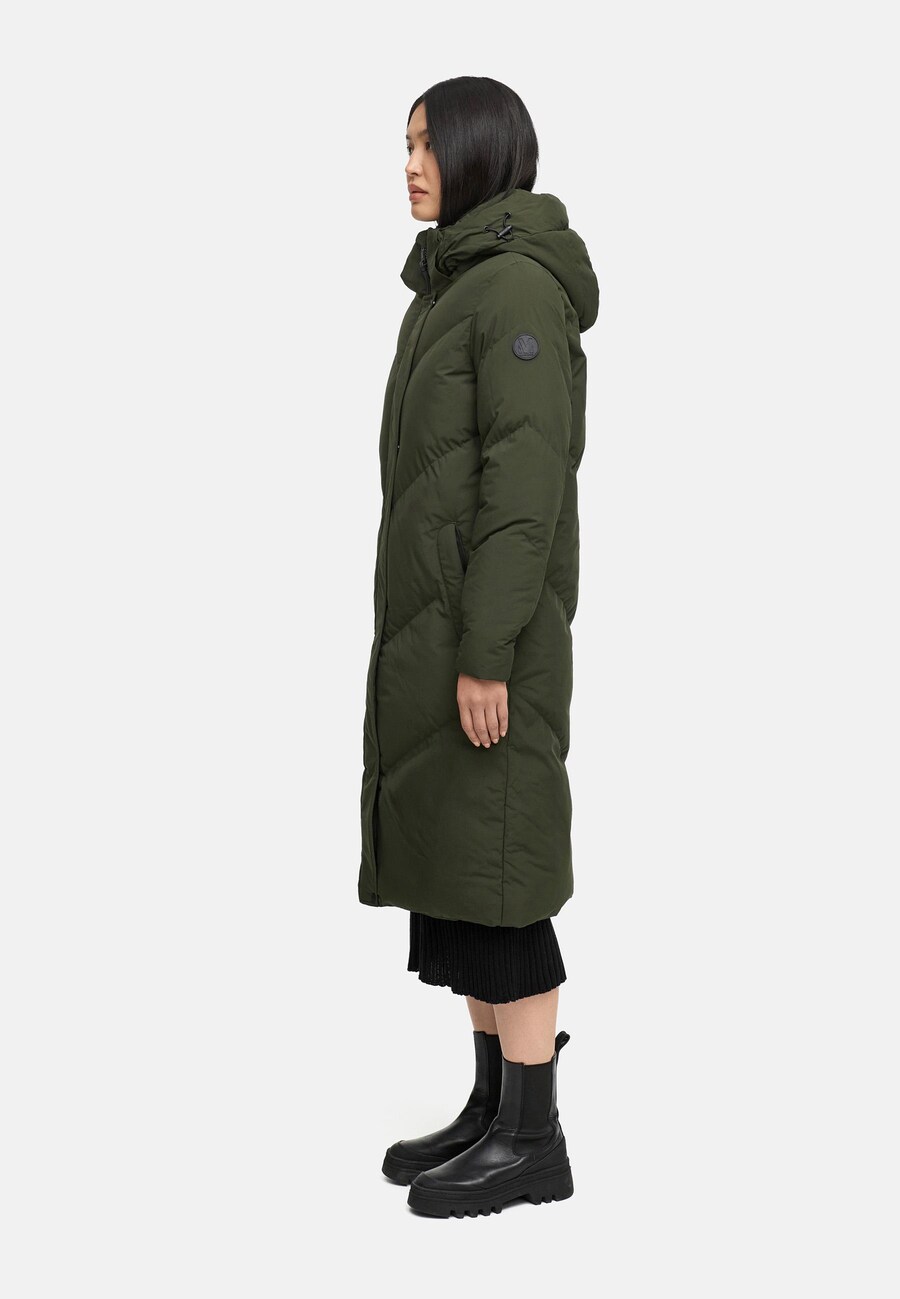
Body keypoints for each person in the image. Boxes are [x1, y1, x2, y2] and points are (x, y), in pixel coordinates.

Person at [358, 76, 599, 1218]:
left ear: (478, 151)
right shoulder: (452, 287)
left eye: (427, 143)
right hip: (444, 635)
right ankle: (494, 1106)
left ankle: (535, 1140)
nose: (409, 163)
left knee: (506, 879)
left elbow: (524, 489)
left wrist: (489, 651)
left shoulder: (513, 290)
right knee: (465, 875)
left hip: (486, 647)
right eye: (404, 142)